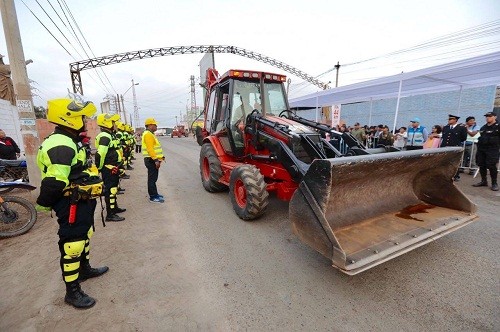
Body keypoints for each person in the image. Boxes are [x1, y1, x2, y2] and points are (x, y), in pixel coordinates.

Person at [35, 96, 108, 309]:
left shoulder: (68, 139)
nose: (85, 121)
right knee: (73, 244)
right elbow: (54, 181)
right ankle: (72, 291)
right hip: (70, 203)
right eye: (81, 117)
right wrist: (44, 203)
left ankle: (84, 269)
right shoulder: (61, 143)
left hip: (79, 200)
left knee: (84, 236)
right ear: (68, 119)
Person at [95, 113, 125, 222]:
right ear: (106, 123)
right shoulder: (104, 136)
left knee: (114, 189)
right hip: (109, 168)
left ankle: (114, 208)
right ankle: (110, 214)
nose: (115, 124)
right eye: (113, 122)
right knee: (110, 191)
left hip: (112, 167)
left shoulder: (109, 134)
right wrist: (100, 168)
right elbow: (100, 154)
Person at [472, 112, 499, 191]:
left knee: (491, 165)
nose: (487, 118)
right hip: (482, 149)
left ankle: (494, 183)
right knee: (481, 165)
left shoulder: (498, 126)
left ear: (495, 117)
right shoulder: (483, 127)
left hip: (492, 149)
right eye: (486, 116)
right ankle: (484, 181)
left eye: (490, 116)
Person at [142, 117, 165, 203]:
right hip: (151, 160)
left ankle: (155, 194)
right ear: (150, 125)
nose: (156, 127)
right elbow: (150, 149)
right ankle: (153, 197)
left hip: (152, 159)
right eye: (155, 125)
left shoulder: (150, 134)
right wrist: (155, 160)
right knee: (152, 179)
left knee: (154, 178)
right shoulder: (148, 134)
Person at [440, 114, 468, 181]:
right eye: (449, 119)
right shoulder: (446, 127)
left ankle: (456, 175)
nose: (449, 120)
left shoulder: (461, 128)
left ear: (455, 120)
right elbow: (444, 137)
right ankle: (445, 175)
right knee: (444, 162)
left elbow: (463, 138)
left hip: (454, 147)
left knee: (454, 162)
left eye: (450, 119)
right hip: (445, 147)